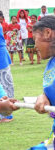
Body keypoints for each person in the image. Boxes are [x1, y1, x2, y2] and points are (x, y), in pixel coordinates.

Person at [28, 15, 55, 149]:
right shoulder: (51, 63)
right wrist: (44, 97)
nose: (34, 45)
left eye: (35, 39)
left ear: (47, 33)